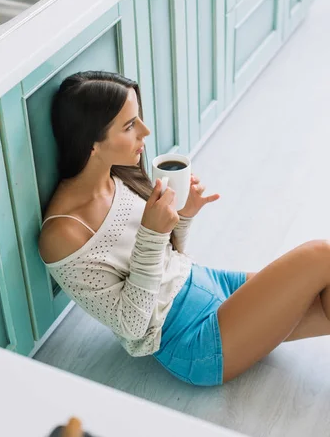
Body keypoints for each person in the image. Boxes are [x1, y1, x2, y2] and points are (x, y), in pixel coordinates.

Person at [38, 70, 330, 386]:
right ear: (91, 143)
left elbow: (167, 257)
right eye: (130, 125)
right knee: (320, 256)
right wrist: (152, 233)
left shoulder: (119, 175)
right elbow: (133, 326)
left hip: (209, 283)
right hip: (196, 341)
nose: (145, 131)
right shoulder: (63, 235)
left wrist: (184, 216)